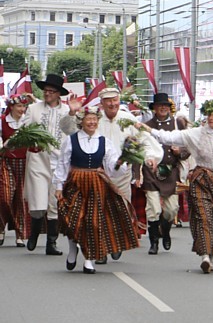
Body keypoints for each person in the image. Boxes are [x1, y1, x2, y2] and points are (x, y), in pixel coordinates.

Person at [138, 99, 213, 274]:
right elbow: (170, 137)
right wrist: (149, 130)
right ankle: (206, 257)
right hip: (202, 179)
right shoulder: (197, 133)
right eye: (209, 114)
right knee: (203, 216)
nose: (210, 118)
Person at [63, 87, 162, 264]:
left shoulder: (128, 119)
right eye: (108, 101)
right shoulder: (93, 119)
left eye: (115, 100)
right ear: (101, 103)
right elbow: (69, 131)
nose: (112, 104)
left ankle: (115, 244)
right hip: (97, 175)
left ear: (119, 101)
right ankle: (99, 250)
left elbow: (144, 140)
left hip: (121, 174)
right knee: (96, 213)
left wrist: (150, 158)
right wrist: (72, 112)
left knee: (121, 211)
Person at [52, 107, 139, 274]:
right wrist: (58, 186)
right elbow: (62, 164)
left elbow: (112, 167)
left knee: (93, 221)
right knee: (73, 218)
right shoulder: (71, 140)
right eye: (88, 119)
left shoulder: (104, 141)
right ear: (81, 121)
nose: (92, 122)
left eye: (94, 119)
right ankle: (72, 249)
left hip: (96, 184)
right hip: (76, 182)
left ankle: (89, 259)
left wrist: (123, 161)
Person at [21, 74, 71, 255]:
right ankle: (34, 232)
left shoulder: (66, 111)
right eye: (46, 91)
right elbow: (23, 129)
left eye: (51, 91)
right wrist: (31, 139)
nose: (47, 94)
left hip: (59, 162)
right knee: (38, 202)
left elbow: (70, 132)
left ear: (59, 94)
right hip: (38, 160)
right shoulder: (33, 109)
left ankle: (51, 243)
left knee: (54, 203)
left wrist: (73, 114)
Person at [138, 93, 191, 255]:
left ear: (169, 108)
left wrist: (179, 152)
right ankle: (153, 242)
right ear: (154, 108)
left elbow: (189, 147)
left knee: (171, 209)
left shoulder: (178, 124)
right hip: (151, 171)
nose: (163, 108)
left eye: (166, 106)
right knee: (153, 208)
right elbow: (138, 149)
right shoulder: (146, 125)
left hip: (170, 171)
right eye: (159, 105)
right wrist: (136, 174)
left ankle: (166, 231)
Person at [0, 94, 32, 247]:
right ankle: (1, 228)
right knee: (5, 197)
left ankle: (20, 234)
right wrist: (5, 145)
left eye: (24, 106)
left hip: (25, 162)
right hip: (7, 162)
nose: (22, 109)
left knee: (20, 198)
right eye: (19, 106)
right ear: (11, 107)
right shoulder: (3, 121)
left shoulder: (28, 121)